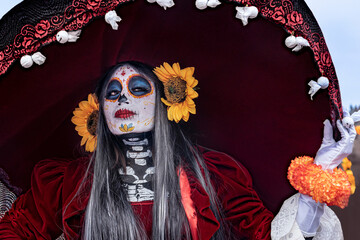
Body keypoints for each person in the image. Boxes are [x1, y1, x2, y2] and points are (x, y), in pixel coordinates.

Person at [0, 61, 356, 240]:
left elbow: (271, 236)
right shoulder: (68, 182)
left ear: (165, 103)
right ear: (100, 112)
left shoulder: (210, 173)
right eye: (112, 93)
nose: (123, 97)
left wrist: (316, 185)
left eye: (138, 88)